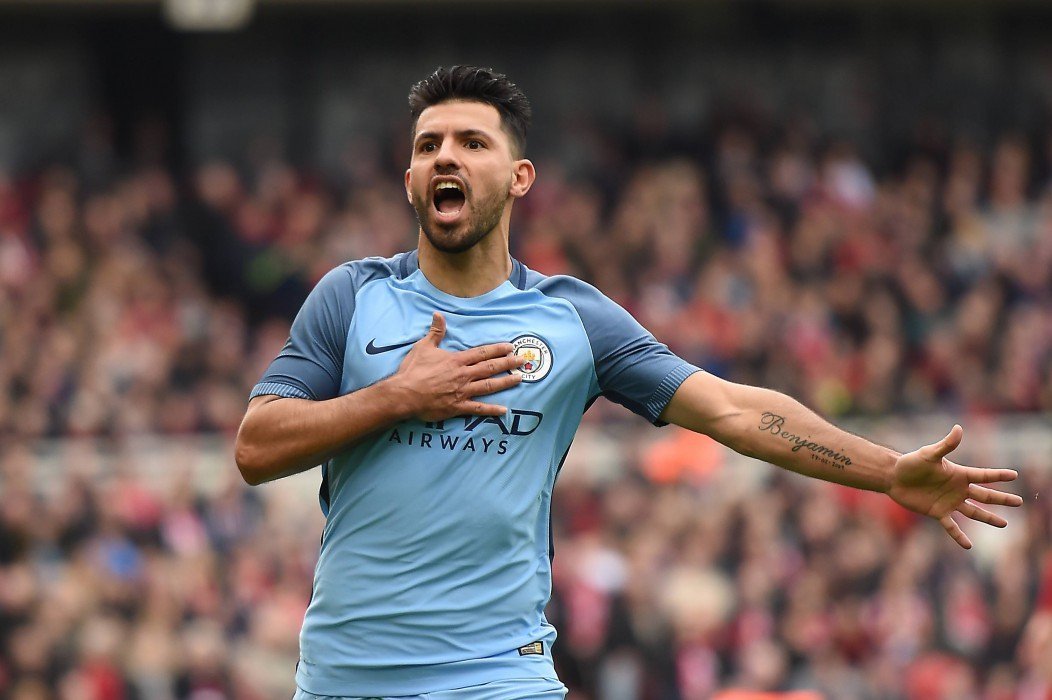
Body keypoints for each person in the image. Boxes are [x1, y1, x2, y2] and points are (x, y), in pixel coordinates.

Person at [235, 66, 1023, 700]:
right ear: (409, 177)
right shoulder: (353, 296)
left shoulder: (571, 319)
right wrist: (397, 397)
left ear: (519, 176)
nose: (446, 156)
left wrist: (887, 472)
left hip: (497, 677)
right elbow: (255, 446)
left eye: (472, 142)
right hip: (347, 677)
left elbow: (732, 410)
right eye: (428, 144)